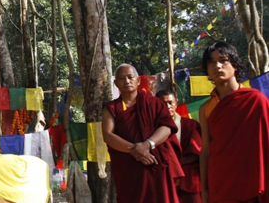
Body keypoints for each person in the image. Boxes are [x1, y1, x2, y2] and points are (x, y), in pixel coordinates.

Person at [199, 41, 269, 203]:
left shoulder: (255, 100)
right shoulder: (206, 108)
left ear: (234, 65)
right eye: (211, 62)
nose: (217, 66)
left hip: (252, 178)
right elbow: (206, 150)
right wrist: (204, 190)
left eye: (223, 60)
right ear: (207, 70)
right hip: (221, 181)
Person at [102, 64, 183, 203]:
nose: (127, 81)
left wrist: (147, 145)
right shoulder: (111, 108)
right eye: (121, 78)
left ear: (138, 80)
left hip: (154, 164)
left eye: (130, 77)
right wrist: (136, 151)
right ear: (116, 83)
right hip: (128, 168)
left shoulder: (154, 103)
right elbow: (108, 135)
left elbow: (166, 127)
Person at [157, 89, 202, 203]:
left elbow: (196, 154)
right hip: (162, 178)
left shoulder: (190, 125)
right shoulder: (151, 127)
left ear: (176, 103)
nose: (167, 106)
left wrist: (171, 165)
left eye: (170, 103)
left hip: (188, 179)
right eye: (163, 103)